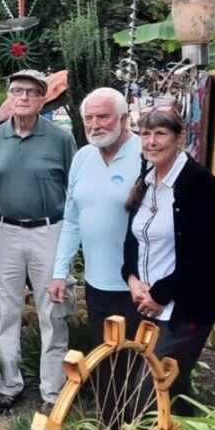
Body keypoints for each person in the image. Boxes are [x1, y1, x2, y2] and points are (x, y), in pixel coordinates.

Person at [0, 69, 76, 413]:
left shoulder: (60, 139)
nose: (22, 97)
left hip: (49, 230)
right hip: (6, 231)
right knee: (5, 310)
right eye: (16, 91)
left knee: (53, 310)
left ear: (42, 99)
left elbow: (73, 189)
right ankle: (8, 384)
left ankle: (53, 393)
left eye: (31, 92)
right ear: (9, 96)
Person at [123, 108, 215, 417]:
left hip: (185, 306)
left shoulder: (198, 184)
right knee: (174, 386)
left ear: (180, 138)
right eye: (146, 134)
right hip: (149, 301)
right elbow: (133, 239)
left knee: (151, 386)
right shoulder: (148, 178)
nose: (151, 142)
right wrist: (132, 280)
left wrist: (159, 294)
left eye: (160, 134)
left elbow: (203, 257)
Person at [49, 88, 143, 349]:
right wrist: (60, 273)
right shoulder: (82, 158)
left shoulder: (145, 155)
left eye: (103, 117)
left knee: (138, 363)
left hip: (139, 286)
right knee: (105, 361)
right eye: (88, 118)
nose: (94, 125)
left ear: (124, 119)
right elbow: (72, 219)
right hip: (96, 283)